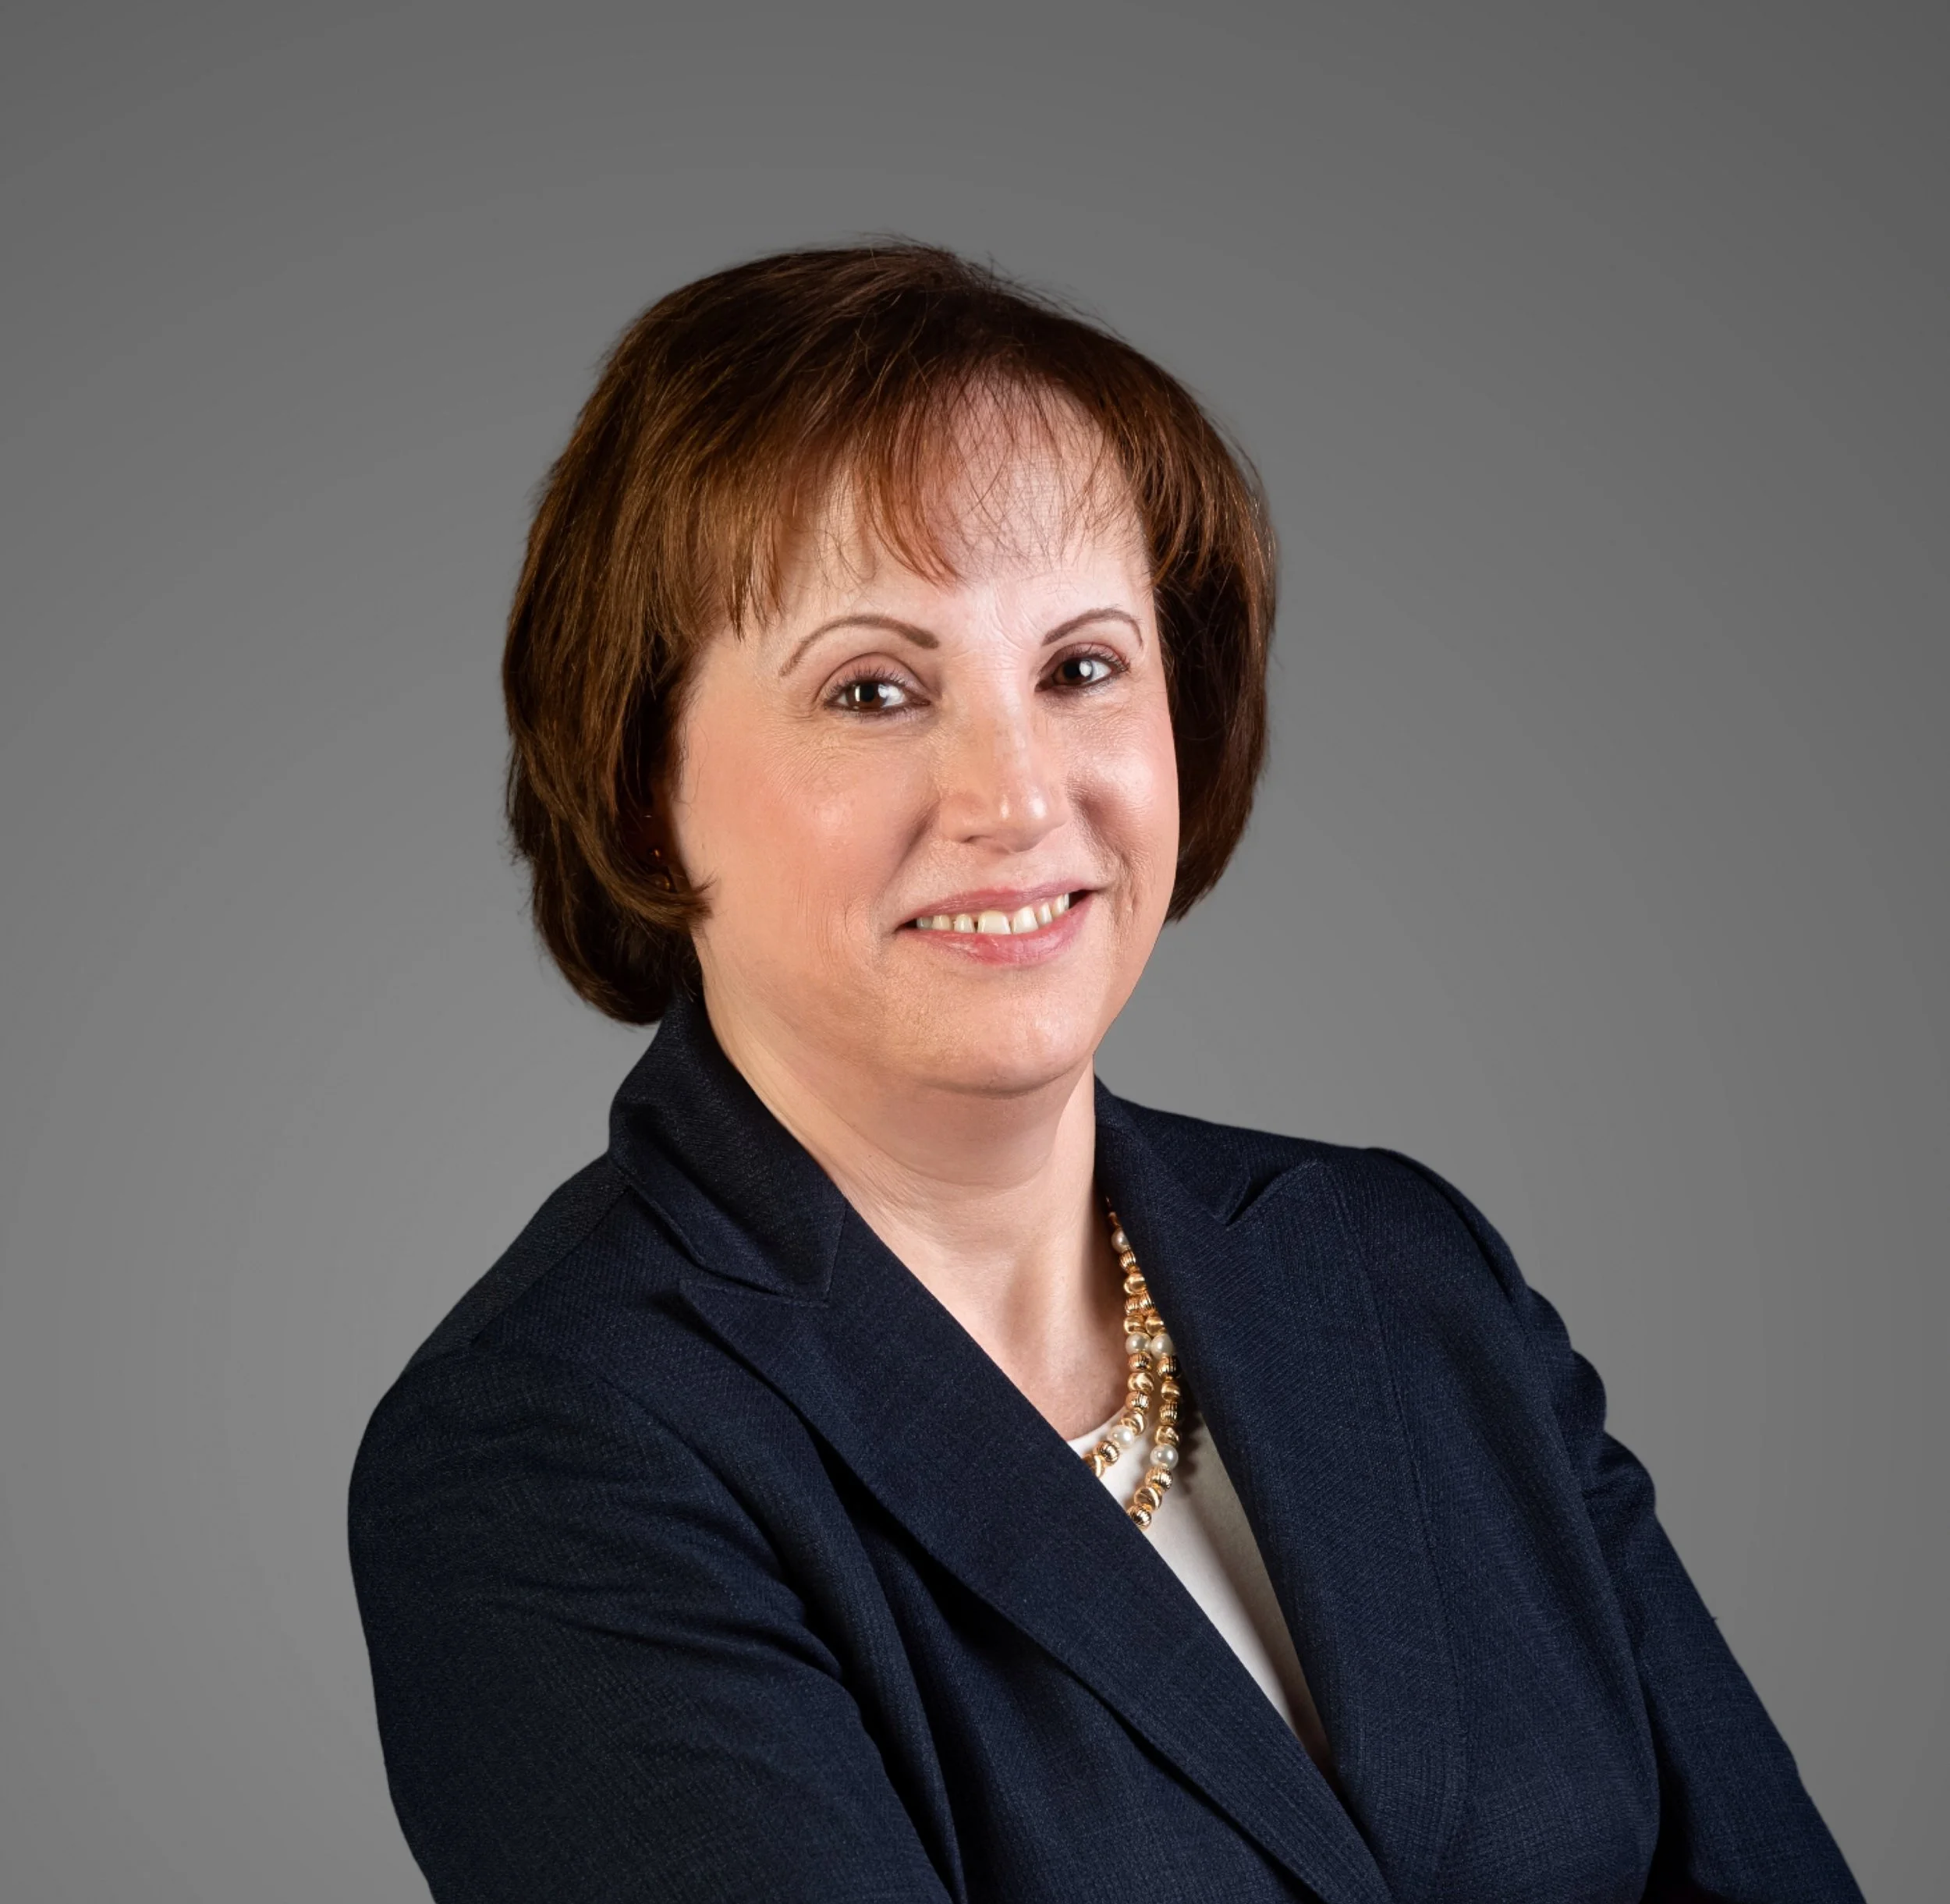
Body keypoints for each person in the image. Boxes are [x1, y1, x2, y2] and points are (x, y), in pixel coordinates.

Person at [348, 242, 1861, 1904]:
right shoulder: (548, 1453)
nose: (1015, 795)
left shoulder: (1400, 1273)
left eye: (1081, 668)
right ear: (643, 789)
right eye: (874, 689)